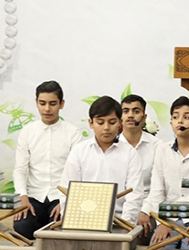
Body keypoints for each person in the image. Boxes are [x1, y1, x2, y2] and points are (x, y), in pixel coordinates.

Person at [141, 96, 189, 248]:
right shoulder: (163, 150)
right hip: (168, 219)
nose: (180, 121)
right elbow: (157, 190)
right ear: (171, 122)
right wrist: (162, 223)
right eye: (175, 117)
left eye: (187, 117)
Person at [12, 81, 82, 240]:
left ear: (62, 104)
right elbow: (20, 169)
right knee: (22, 227)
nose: (47, 109)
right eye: (42, 103)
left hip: (60, 197)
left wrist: (67, 202)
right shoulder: (27, 132)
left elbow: (77, 173)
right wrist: (22, 197)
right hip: (34, 196)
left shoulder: (73, 133)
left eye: (53, 104)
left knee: (61, 230)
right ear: (36, 103)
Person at [59, 96, 143, 224]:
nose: (106, 128)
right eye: (100, 122)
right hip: (83, 220)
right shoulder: (79, 152)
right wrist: (71, 221)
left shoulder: (130, 154)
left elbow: (134, 195)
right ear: (91, 123)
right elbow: (67, 190)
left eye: (112, 122)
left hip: (119, 221)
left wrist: (126, 225)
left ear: (120, 123)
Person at [120, 94, 163, 243]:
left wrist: (144, 211)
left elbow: (158, 186)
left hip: (147, 209)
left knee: (143, 230)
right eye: (126, 111)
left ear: (144, 117)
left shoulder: (157, 146)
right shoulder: (113, 145)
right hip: (117, 208)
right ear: (120, 117)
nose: (130, 115)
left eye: (136, 111)